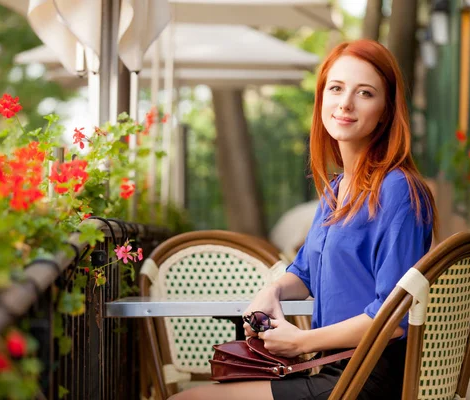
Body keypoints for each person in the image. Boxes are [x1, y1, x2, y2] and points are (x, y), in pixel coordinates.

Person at [172, 39, 438, 400]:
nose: (345, 103)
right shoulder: (337, 189)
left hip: (366, 380)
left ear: (387, 110)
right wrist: (273, 291)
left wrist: (301, 342)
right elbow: (305, 273)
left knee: (186, 399)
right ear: (322, 98)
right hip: (329, 369)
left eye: (365, 93)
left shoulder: (398, 191)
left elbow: (392, 320)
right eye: (336, 88)